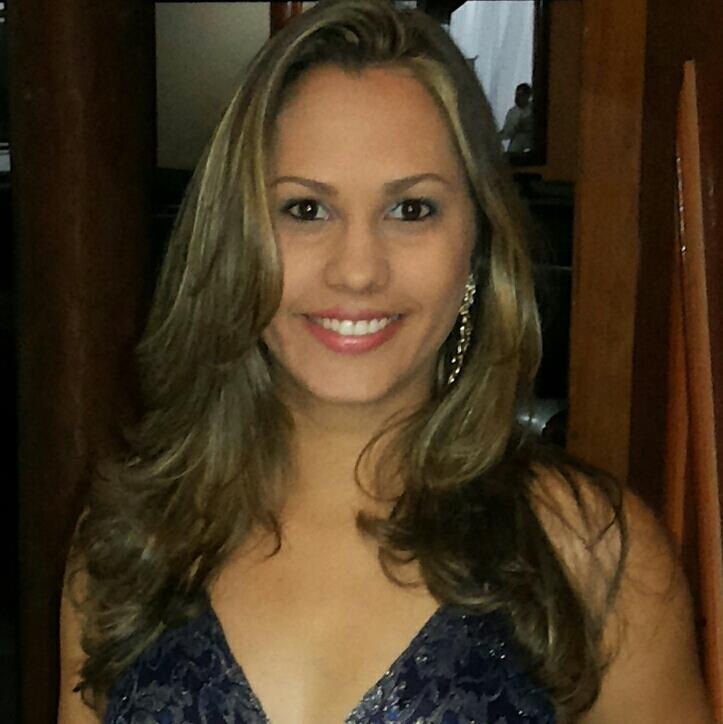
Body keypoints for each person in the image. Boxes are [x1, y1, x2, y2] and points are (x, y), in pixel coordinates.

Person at [58, 1, 713, 722]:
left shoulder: (589, 556)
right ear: (234, 241)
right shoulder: (131, 542)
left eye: (411, 210)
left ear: (477, 245)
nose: (357, 271)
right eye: (306, 209)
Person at [501, 82, 534, 154]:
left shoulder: (534, 108)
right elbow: (507, 132)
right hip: (517, 144)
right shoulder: (512, 112)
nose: (518, 97)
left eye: (521, 95)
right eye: (517, 95)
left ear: (528, 96)